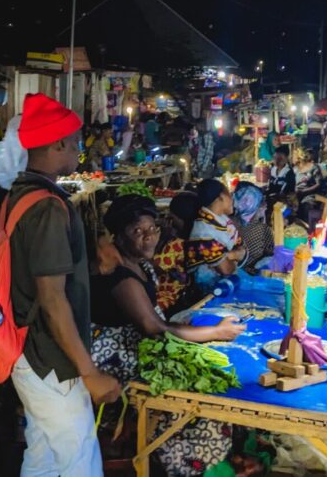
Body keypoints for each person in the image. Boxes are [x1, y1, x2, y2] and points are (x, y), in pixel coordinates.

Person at [89, 195, 244, 475]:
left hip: (145, 343)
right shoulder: (121, 278)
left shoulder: (138, 262)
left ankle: (219, 458)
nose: (148, 238)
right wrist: (216, 331)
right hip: (119, 356)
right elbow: (153, 328)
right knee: (194, 399)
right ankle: (190, 465)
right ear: (119, 236)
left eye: (152, 229)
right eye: (137, 231)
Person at [7, 93, 119, 477]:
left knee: (44, 452)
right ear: (57, 143)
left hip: (27, 350)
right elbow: (52, 297)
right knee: (77, 460)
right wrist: (88, 372)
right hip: (50, 357)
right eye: (75, 142)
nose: (79, 149)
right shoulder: (47, 207)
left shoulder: (20, 195)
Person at [185, 179, 242, 291]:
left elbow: (242, 247)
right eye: (230, 195)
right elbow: (226, 269)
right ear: (221, 197)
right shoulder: (203, 232)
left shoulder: (222, 220)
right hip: (211, 291)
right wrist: (234, 255)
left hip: (228, 284)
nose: (232, 200)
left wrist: (230, 256)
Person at [153, 191, 200, 315]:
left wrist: (162, 238)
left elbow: (155, 268)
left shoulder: (176, 243)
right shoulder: (197, 236)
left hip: (168, 298)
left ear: (181, 218)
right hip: (186, 295)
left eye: (172, 216)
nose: (170, 219)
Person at [232, 182, 273, 270]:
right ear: (253, 204)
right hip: (251, 276)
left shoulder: (229, 221)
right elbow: (275, 252)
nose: (266, 206)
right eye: (262, 202)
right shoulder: (261, 229)